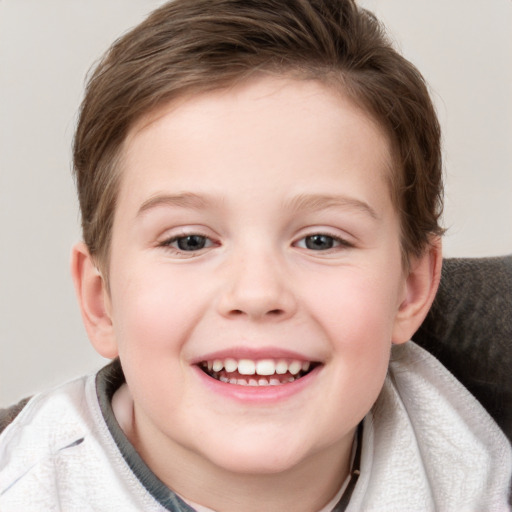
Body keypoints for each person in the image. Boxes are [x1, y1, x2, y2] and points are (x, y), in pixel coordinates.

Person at [0, 0, 510, 510]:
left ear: (412, 287)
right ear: (100, 300)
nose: (257, 293)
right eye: (190, 241)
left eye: (320, 240)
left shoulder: (481, 471)